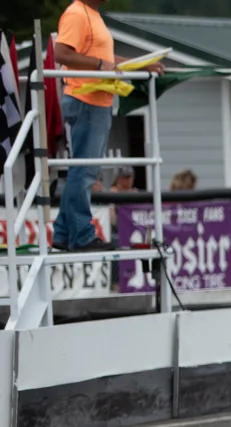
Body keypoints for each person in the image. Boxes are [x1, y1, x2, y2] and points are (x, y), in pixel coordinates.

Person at [52, 0, 162, 252]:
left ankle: (63, 232)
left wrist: (142, 64)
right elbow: (61, 54)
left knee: (83, 170)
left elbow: (106, 59)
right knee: (85, 172)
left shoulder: (91, 15)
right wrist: (100, 66)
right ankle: (81, 236)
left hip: (94, 101)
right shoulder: (78, 13)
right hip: (86, 100)